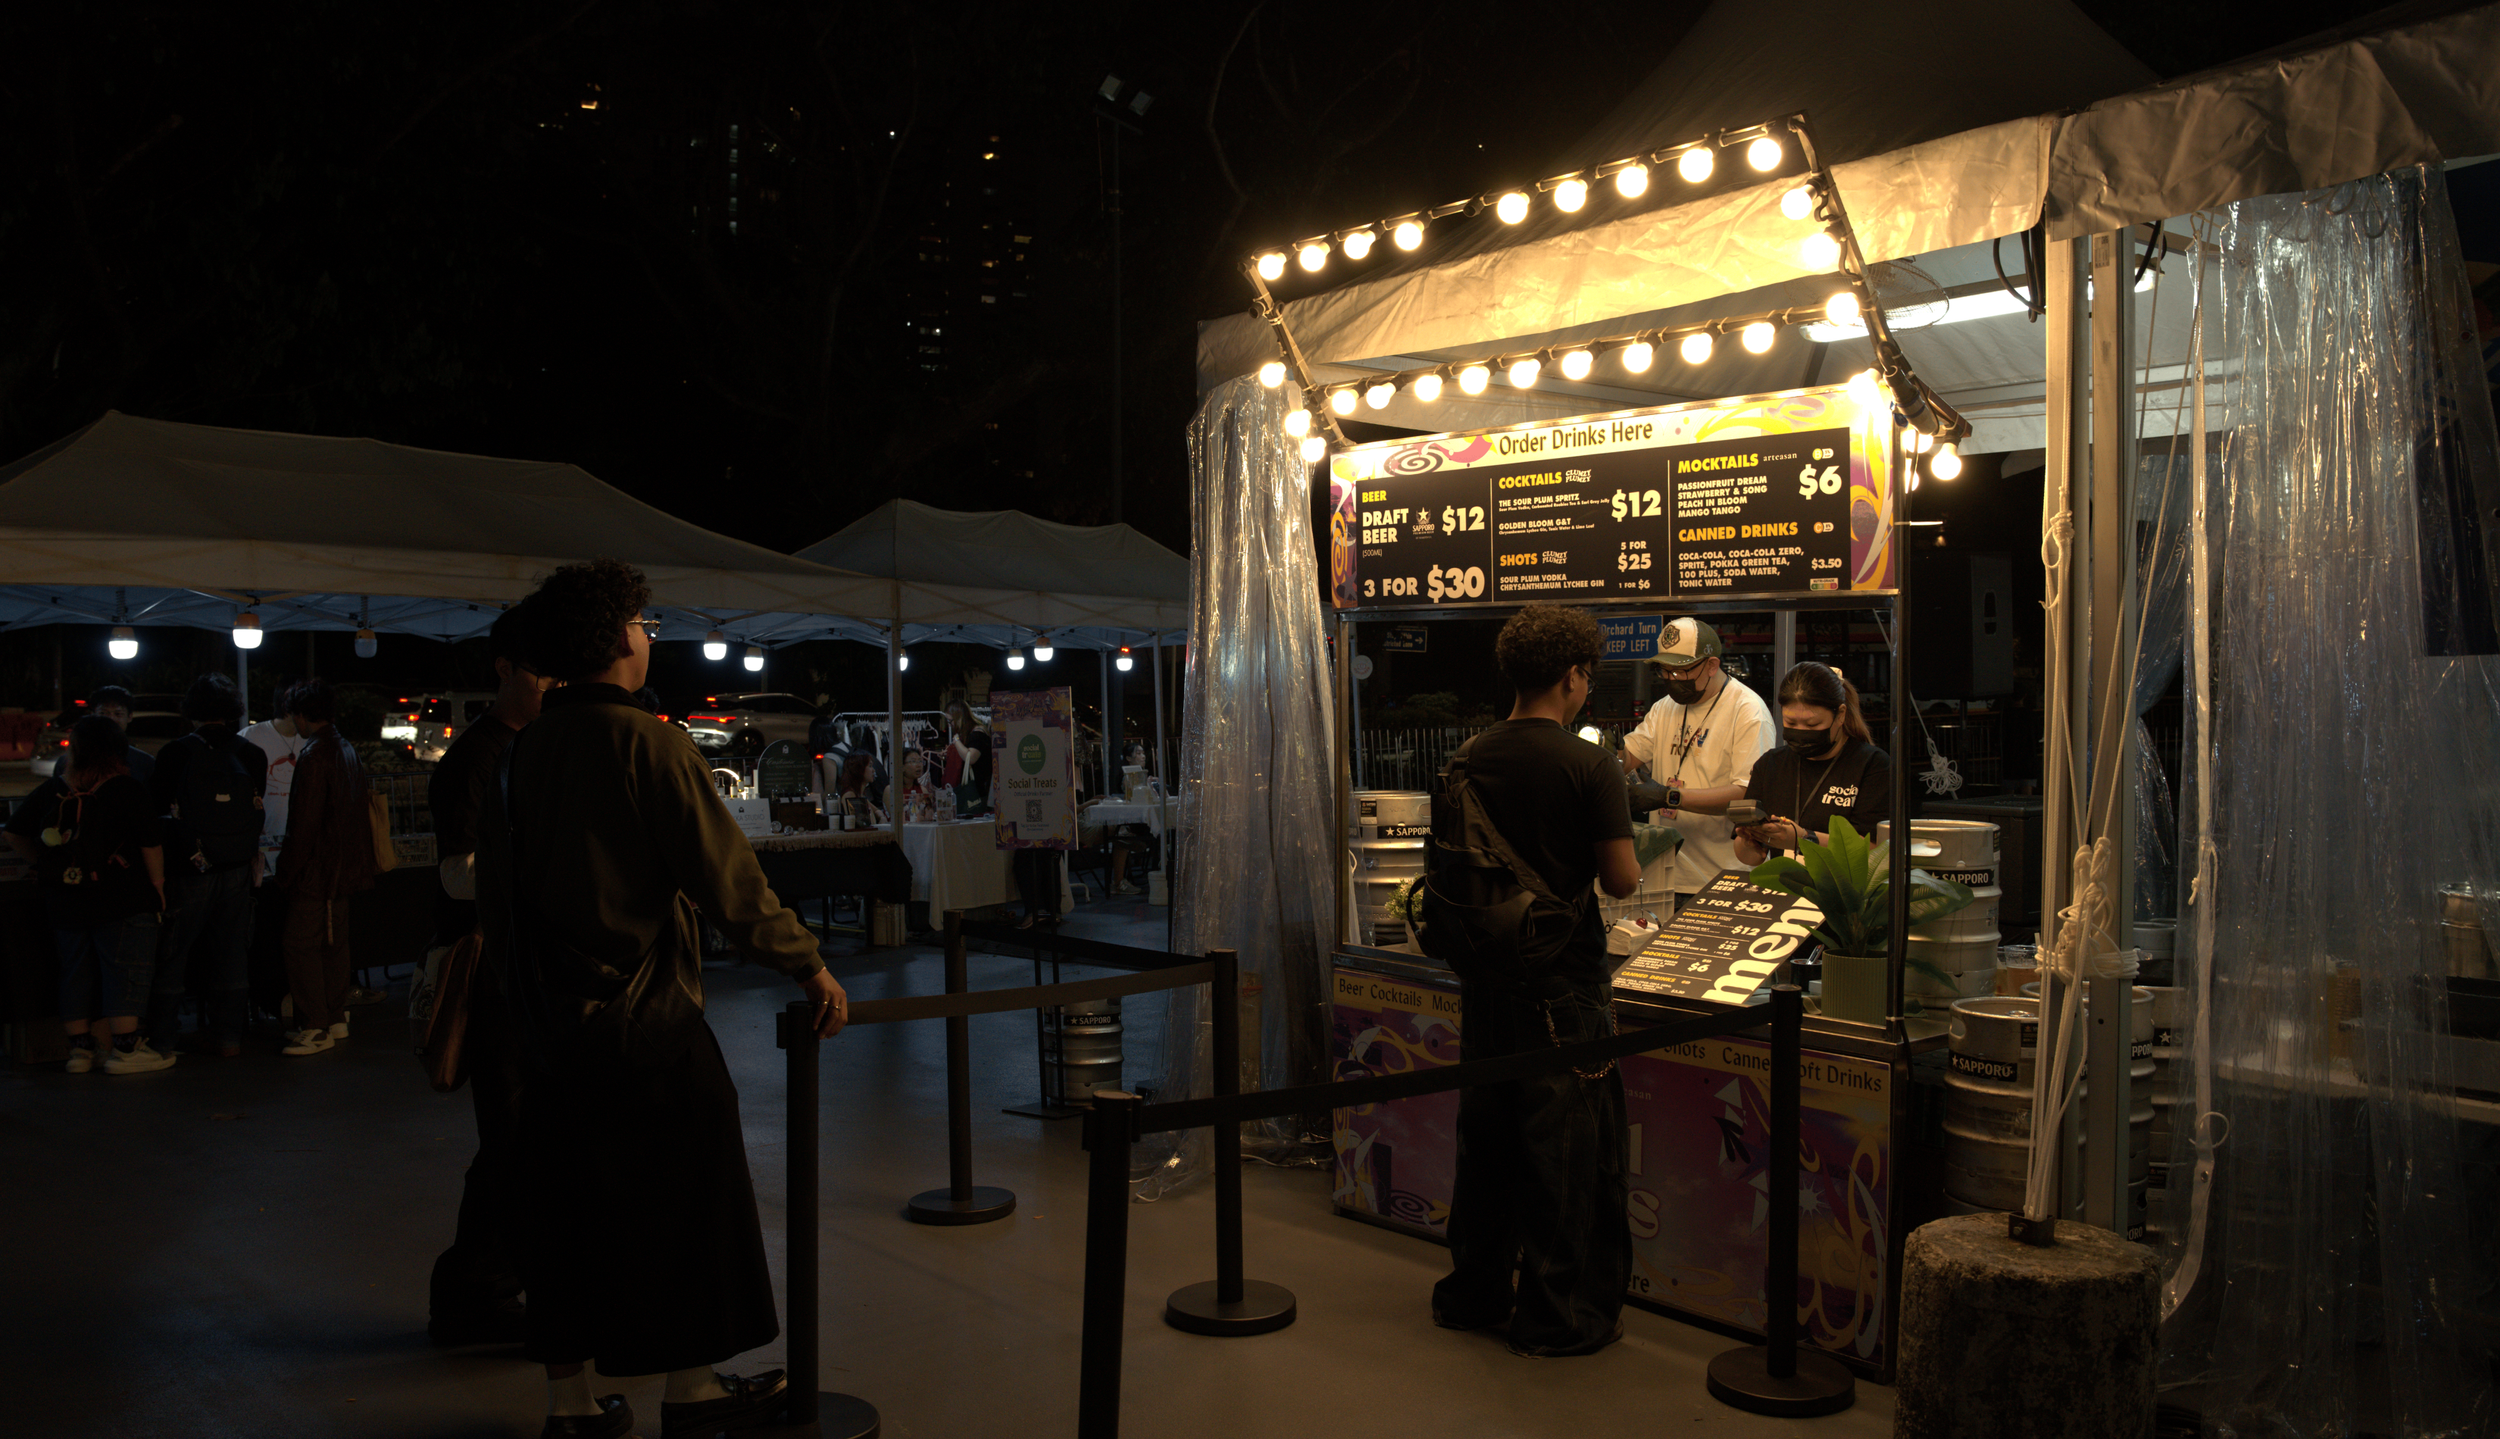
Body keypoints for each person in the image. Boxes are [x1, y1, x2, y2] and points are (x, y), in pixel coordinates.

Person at [475, 558, 846, 1439]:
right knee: (694, 1193)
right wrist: (808, 963)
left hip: (548, 1021)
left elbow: (499, 893)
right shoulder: (649, 742)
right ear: (614, 639)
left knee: (562, 1207)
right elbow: (729, 881)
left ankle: (570, 1404)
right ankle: (693, 1387)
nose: (649, 636)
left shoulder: (522, 748)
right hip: (647, 1019)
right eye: (642, 622)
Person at [1430, 604, 1640, 1358]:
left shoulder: (1467, 757)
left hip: (1487, 980)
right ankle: (1557, 1316)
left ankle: (1476, 1289)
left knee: (1485, 1140)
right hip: (1566, 990)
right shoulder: (1590, 764)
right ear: (1573, 675)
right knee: (1567, 1153)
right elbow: (1620, 881)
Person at [426, 602, 550, 1346]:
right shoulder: (476, 756)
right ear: (502, 670)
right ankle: (476, 1293)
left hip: (527, 972)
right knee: (510, 1137)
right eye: (540, 671)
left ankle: (491, 1288)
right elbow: (453, 873)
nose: (550, 686)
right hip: (494, 976)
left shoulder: (536, 747)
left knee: (522, 1137)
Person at [4, 717, 174, 1073]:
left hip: (64, 896)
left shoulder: (54, 790)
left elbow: (13, 832)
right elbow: (150, 845)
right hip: (121, 897)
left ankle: (80, 1052)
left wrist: (45, 863)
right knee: (125, 970)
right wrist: (158, 887)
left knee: (74, 971)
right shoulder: (126, 789)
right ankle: (125, 1050)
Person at [144, 674, 266, 1058]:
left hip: (188, 867)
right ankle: (228, 1036)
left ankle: (162, 1040)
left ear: (191, 710)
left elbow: (158, 812)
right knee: (231, 952)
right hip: (236, 867)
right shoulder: (250, 754)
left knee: (173, 954)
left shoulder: (175, 753)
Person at [1618, 617, 1776, 909]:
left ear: (1712, 665)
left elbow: (1746, 794)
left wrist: (1669, 797)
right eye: (1664, 671)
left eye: (1681, 671)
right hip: (1665, 875)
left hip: (1724, 878)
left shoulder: (1748, 711)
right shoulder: (1665, 707)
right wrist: (1609, 755)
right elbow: (1630, 756)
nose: (1671, 679)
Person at [275, 680, 378, 1056]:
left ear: (302, 715)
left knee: (300, 945)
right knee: (334, 945)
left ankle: (315, 1025)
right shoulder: (345, 748)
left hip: (317, 870)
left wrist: (287, 870)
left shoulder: (315, 754)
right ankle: (334, 1016)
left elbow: (303, 825)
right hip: (346, 867)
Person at [1733, 661, 1895, 865]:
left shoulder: (1873, 765)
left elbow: (1875, 850)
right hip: (1783, 891)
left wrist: (1803, 839)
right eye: (1790, 723)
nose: (1801, 731)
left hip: (1845, 893)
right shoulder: (1770, 764)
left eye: (1812, 724)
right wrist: (1750, 840)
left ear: (1841, 715)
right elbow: (1751, 858)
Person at [86, 685, 157, 785]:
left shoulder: (144, 762)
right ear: (92, 715)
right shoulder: (73, 762)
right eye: (103, 713)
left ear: (130, 717)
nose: (111, 719)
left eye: (118, 714)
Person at [942, 702, 990, 816]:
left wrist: (956, 740)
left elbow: (970, 757)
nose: (950, 725)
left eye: (951, 721)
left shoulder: (977, 733)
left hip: (978, 790)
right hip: (978, 788)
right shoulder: (974, 733)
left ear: (959, 718)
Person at [832, 750, 886, 826]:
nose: (873, 770)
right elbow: (859, 824)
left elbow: (877, 811)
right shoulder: (850, 795)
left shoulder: (860, 793)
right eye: (870, 766)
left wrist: (882, 818)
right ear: (859, 769)